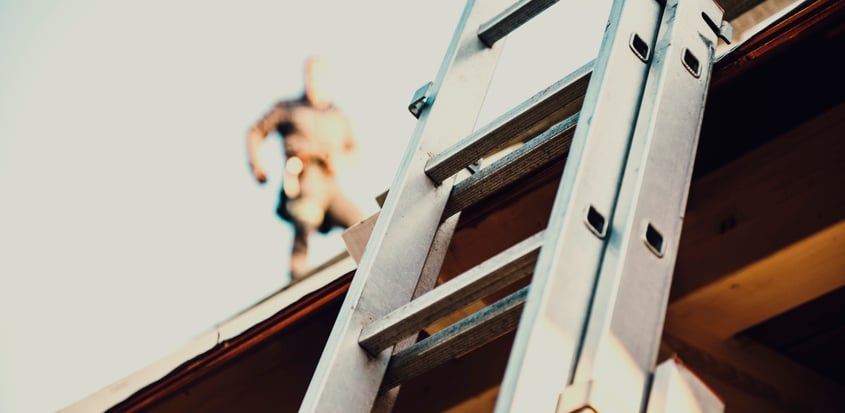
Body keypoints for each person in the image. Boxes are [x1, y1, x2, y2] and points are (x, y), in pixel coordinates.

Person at [247, 56, 364, 282]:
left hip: (330, 182)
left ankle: (368, 260)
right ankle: (297, 271)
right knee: (307, 214)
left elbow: (355, 151)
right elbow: (255, 132)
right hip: (304, 177)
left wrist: (341, 160)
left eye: (318, 76)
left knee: (359, 221)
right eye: (310, 75)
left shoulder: (337, 117)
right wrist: (256, 166)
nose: (313, 81)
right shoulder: (288, 108)